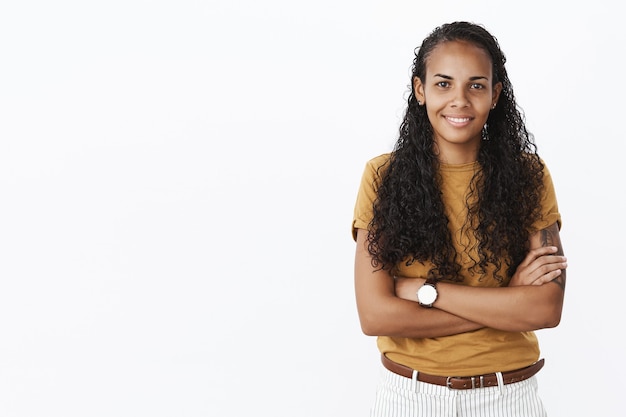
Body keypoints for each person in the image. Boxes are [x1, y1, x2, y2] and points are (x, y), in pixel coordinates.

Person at [351, 21, 567, 417]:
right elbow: (375, 314)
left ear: (496, 94)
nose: (460, 100)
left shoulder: (529, 176)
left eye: (477, 85)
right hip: (410, 397)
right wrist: (505, 303)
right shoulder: (383, 177)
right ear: (420, 90)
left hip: (510, 397)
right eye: (443, 84)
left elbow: (544, 309)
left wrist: (422, 292)